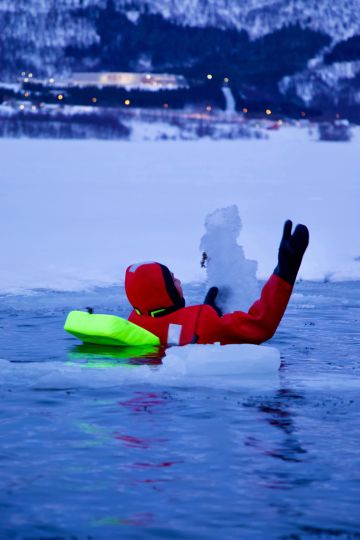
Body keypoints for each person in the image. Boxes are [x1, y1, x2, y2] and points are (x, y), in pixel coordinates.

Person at [125, 220, 309, 346]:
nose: (178, 280)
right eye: (172, 280)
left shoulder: (134, 323)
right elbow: (260, 325)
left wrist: (204, 312)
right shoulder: (202, 324)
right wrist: (286, 270)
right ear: (162, 292)